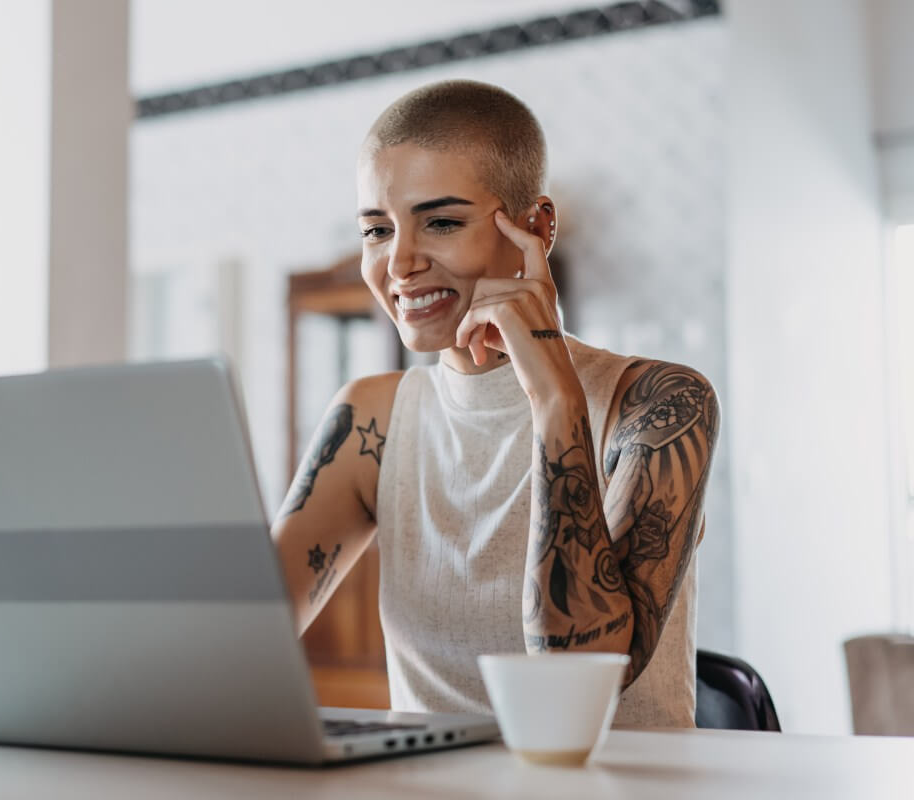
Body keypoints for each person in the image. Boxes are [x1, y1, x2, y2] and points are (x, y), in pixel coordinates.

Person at [270, 79, 718, 728]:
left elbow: (574, 691)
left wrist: (555, 398)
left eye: (442, 222)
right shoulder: (370, 418)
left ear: (535, 227)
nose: (398, 263)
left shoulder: (661, 405)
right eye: (376, 230)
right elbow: (241, 647)